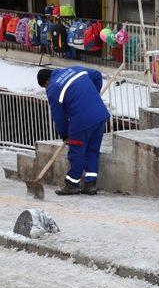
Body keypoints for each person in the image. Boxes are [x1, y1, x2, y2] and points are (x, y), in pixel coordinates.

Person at [37, 66, 109, 196]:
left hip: (81, 121)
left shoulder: (53, 89)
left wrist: (64, 134)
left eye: (44, 86)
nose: (46, 89)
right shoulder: (73, 69)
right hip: (100, 115)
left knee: (76, 153)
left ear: (46, 82)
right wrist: (93, 95)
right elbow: (97, 74)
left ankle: (72, 185)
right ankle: (90, 184)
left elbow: (58, 116)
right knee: (92, 150)